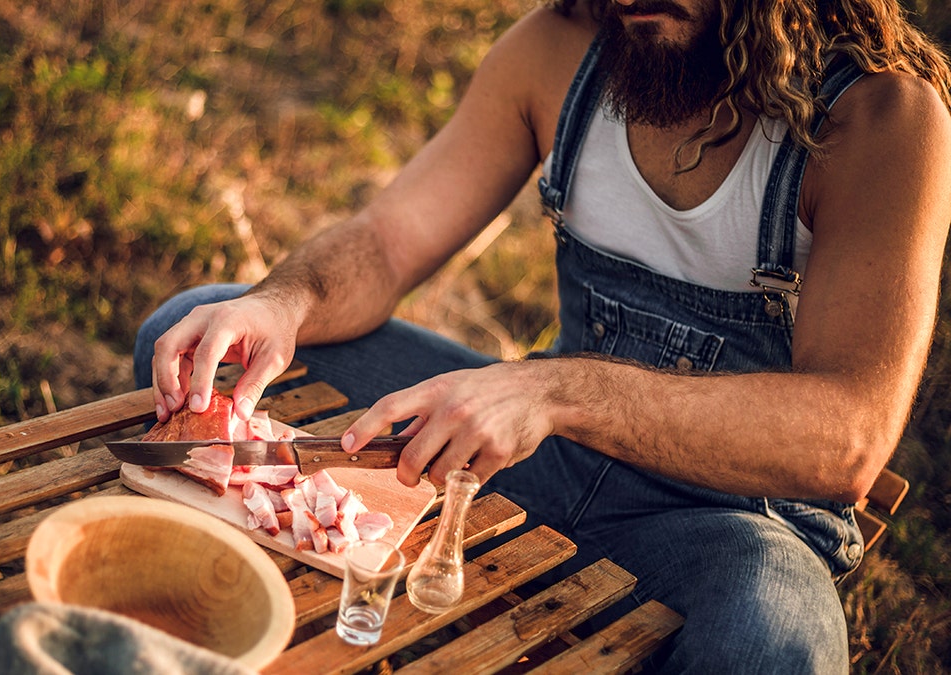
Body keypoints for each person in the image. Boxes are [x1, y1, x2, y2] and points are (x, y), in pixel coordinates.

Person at [134, 0, 951, 671]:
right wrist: (285, 302)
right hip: (539, 467)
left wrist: (554, 390)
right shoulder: (558, 51)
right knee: (196, 329)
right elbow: (387, 239)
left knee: (780, 639)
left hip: (729, 530)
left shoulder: (882, 119)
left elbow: (845, 440)